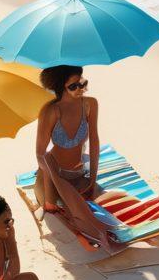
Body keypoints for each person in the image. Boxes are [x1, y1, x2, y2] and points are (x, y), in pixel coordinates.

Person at [35, 65, 119, 252]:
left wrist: (93, 177)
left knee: (107, 206)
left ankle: (102, 233)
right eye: (73, 86)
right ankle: (96, 237)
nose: (81, 89)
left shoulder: (90, 104)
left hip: (80, 173)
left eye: (83, 84)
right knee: (78, 214)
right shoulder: (51, 111)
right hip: (52, 176)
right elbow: (41, 154)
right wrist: (54, 185)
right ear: (59, 87)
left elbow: (95, 141)